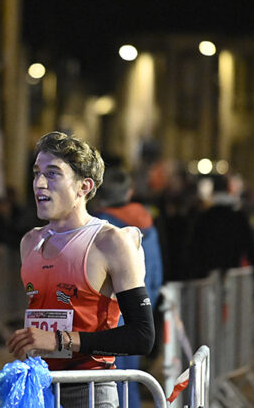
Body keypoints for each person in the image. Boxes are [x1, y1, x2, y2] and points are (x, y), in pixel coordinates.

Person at [6, 131, 155, 408]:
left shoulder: (109, 241)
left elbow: (142, 336)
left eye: (53, 174)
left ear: (84, 186)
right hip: (39, 387)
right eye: (36, 173)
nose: (39, 184)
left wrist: (59, 340)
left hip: (90, 389)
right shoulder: (30, 242)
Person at [94, 166, 164, 408]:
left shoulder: (98, 227)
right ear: (129, 192)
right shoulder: (147, 223)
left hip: (106, 317)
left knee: (104, 385)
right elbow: (155, 273)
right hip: (138, 315)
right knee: (128, 382)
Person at [186, 173, 254, 279]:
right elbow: (250, 245)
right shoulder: (238, 216)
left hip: (208, 274)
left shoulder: (204, 217)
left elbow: (194, 247)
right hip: (233, 271)